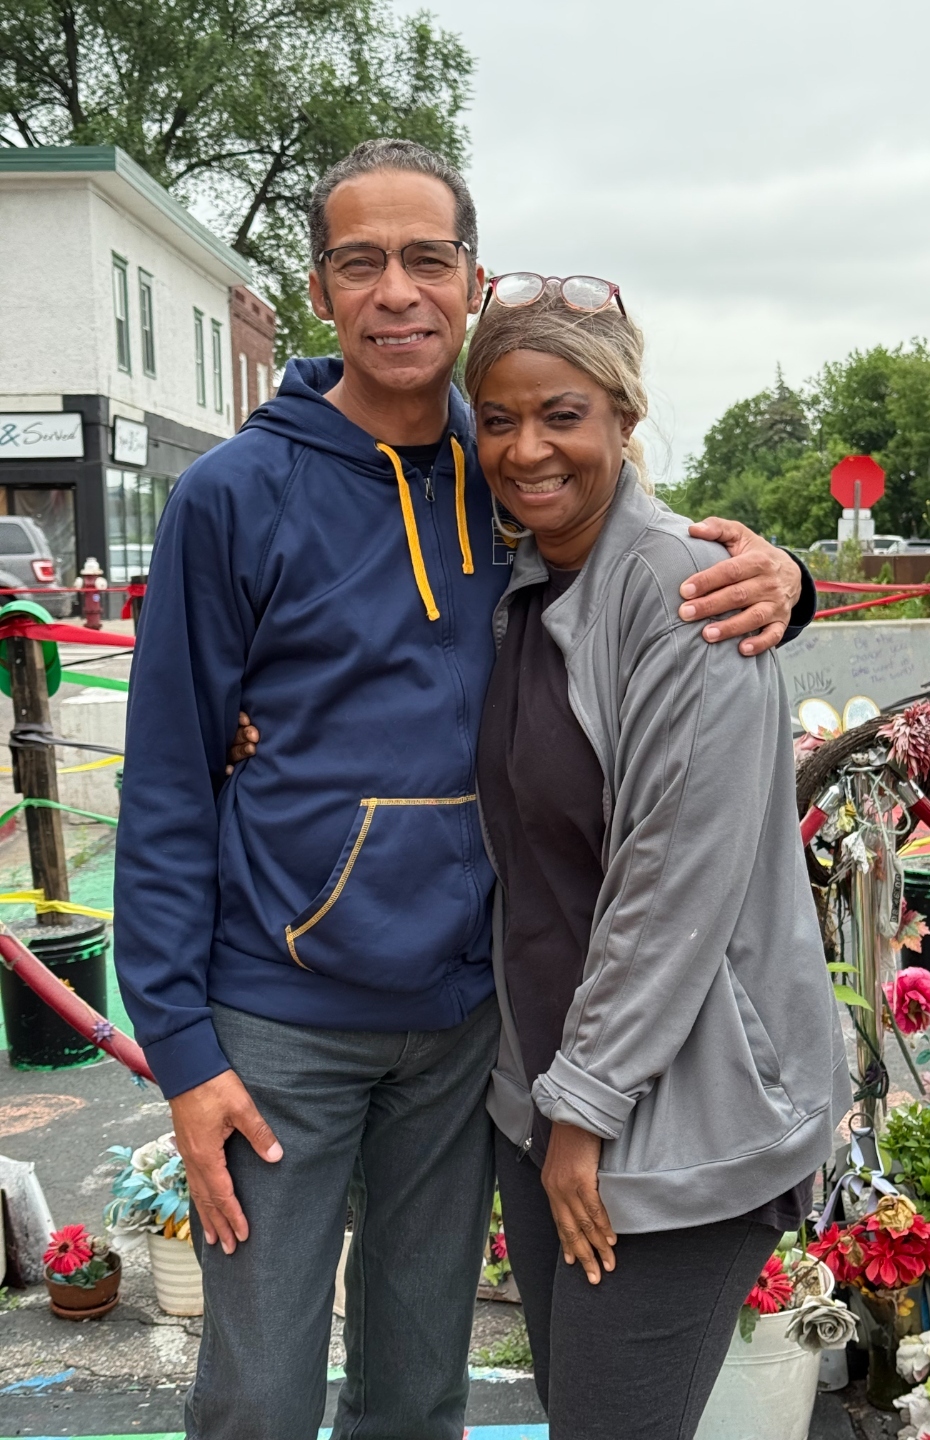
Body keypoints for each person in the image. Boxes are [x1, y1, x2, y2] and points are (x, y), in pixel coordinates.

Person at [113, 139, 816, 1440]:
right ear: (321, 287)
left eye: (427, 259)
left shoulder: (503, 467)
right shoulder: (231, 500)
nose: (398, 292)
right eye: (363, 261)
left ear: (470, 278)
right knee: (260, 1399)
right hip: (281, 1024)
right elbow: (162, 789)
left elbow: (644, 576)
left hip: (462, 1032)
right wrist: (183, 1052)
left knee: (416, 1393)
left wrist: (788, 580)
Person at [464, 278, 851, 1440]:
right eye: (496, 419)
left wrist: (580, 1113)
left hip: (668, 1116)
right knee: (582, 1412)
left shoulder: (691, 600)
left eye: (562, 414)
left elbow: (672, 887)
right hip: (547, 1093)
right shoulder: (525, 581)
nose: (527, 449)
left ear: (625, 419)